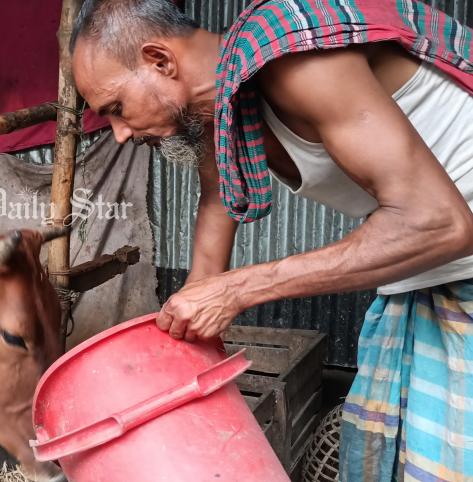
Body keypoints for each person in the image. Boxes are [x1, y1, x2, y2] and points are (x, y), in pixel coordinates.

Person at [70, 0, 473, 480]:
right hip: (428, 276)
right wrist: (180, 352)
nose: (118, 133)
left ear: (160, 61)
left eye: (116, 109)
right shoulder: (222, 107)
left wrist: (237, 289)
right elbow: (216, 206)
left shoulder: (295, 63)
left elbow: (438, 223)